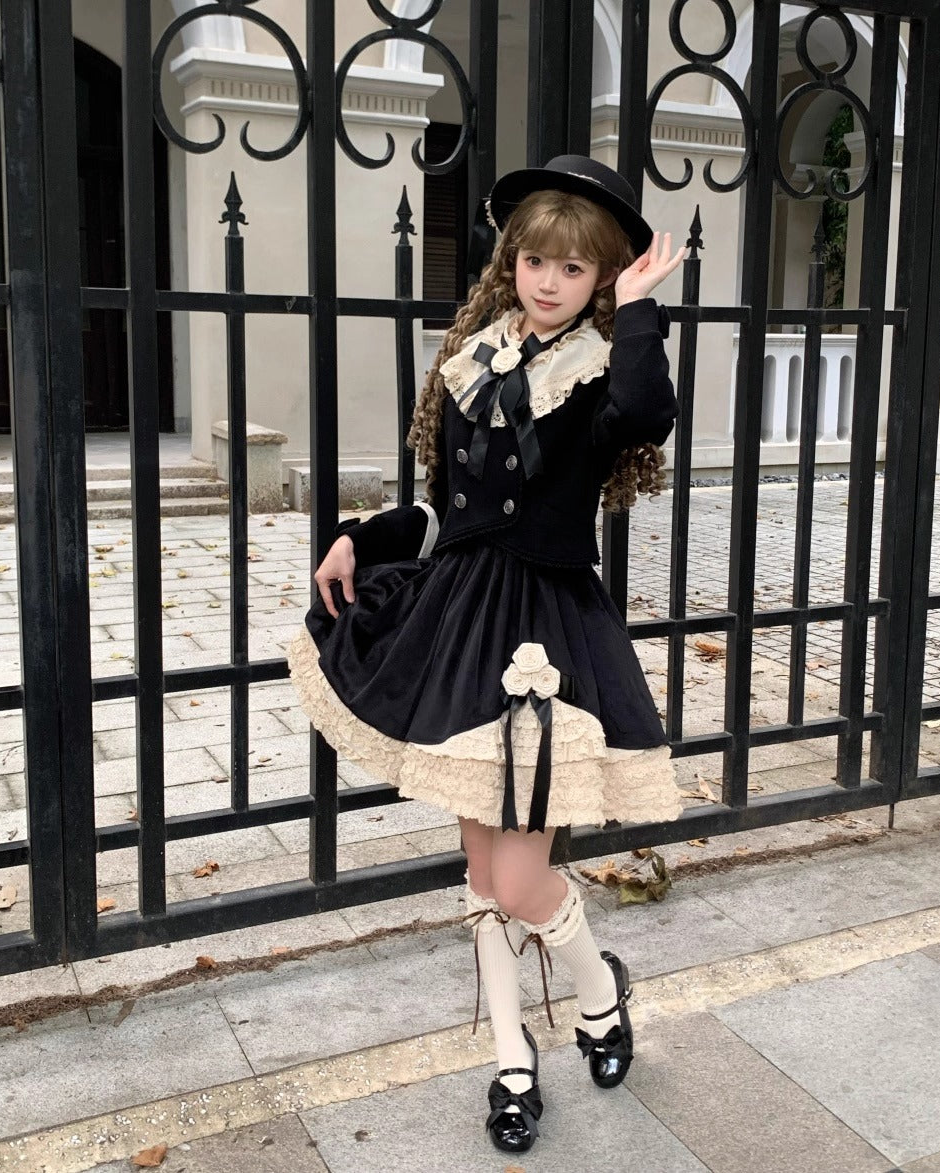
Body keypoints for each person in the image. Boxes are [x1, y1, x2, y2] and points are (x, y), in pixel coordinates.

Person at [288, 153, 685, 1154]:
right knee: (481, 863)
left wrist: (639, 308)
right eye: (534, 260)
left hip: (547, 634)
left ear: (600, 279)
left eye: (574, 268)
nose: (548, 281)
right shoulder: (474, 361)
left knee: (519, 879)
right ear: (510, 261)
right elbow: (443, 511)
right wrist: (360, 537)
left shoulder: (600, 371)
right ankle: (512, 1057)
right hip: (461, 624)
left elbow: (647, 413)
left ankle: (599, 992)